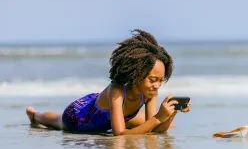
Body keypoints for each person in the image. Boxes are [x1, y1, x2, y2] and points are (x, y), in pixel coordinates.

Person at [26, 29, 191, 135]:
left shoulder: (150, 92)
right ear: (136, 74)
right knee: (57, 121)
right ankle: (35, 115)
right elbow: (119, 134)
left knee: (146, 122)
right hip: (79, 117)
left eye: (161, 80)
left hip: (110, 117)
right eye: (153, 80)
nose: (157, 85)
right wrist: (158, 118)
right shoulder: (117, 90)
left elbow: (154, 130)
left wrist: (170, 114)